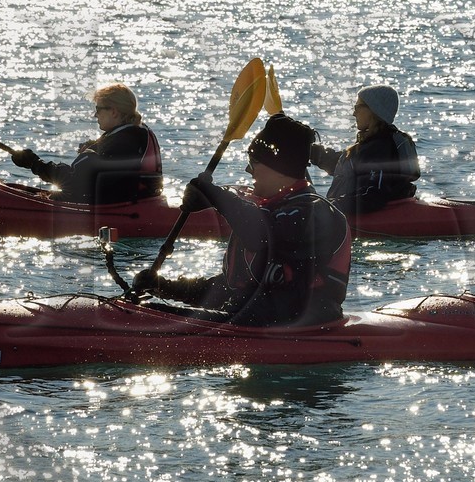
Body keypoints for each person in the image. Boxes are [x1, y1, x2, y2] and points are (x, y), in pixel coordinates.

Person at [132, 114, 351, 327]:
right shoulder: (266, 209)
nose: (248, 169)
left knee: (242, 306)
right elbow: (228, 289)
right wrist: (165, 287)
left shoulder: (316, 213)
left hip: (306, 320)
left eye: (253, 162)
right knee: (236, 302)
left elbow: (263, 235)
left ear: (280, 169)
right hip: (254, 314)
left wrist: (215, 195)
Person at [11, 84, 162, 207]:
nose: (95, 115)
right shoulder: (135, 134)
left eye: (98, 109)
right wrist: (96, 146)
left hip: (116, 209)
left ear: (114, 112)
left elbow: (73, 180)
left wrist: (35, 164)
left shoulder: (122, 142)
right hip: (132, 202)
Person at [308, 85, 421, 215]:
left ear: (373, 110)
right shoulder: (376, 143)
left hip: (363, 218)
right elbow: (347, 168)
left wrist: (329, 207)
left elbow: (373, 195)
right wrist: (310, 151)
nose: (353, 113)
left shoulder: (380, 148)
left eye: (357, 107)